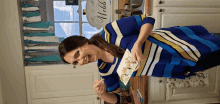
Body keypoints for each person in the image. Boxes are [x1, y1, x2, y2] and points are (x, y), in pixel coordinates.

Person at [58, 14, 220, 103]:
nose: (81, 60)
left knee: (215, 44)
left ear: (82, 41)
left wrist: (138, 43)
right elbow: (118, 99)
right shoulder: (104, 71)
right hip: (175, 66)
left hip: (180, 44)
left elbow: (147, 20)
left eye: (77, 54)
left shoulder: (110, 32)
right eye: (75, 62)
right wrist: (103, 95)